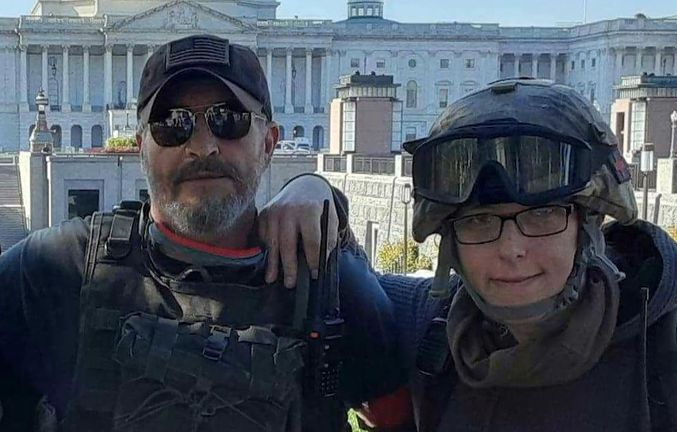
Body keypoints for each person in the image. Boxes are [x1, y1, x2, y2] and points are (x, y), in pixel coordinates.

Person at [266, 78, 677, 431]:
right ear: (451, 245)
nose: (512, 249)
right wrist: (314, 191)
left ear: (588, 225)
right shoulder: (427, 326)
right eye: (480, 222)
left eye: (543, 215)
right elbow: (338, 274)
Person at [0, 35, 407, 432]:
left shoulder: (329, 285)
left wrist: (322, 191)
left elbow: (406, 416)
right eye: (172, 125)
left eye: (228, 120)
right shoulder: (58, 268)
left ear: (269, 142)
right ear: (141, 147)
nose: (203, 146)